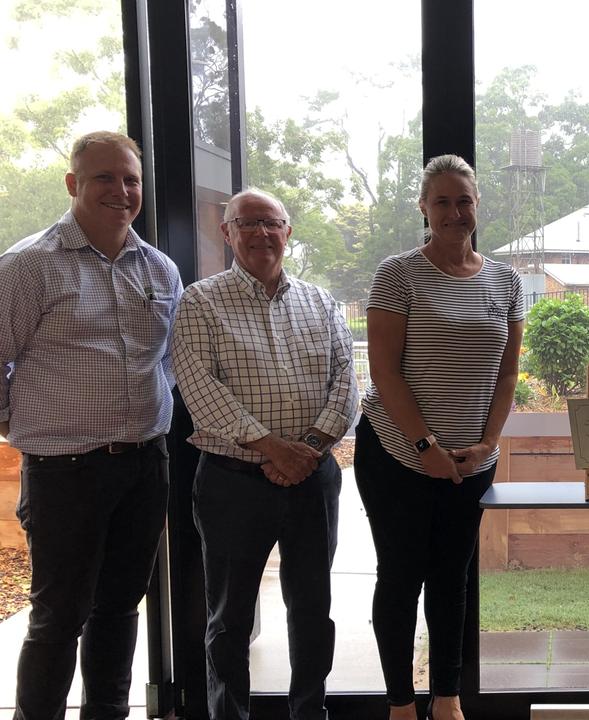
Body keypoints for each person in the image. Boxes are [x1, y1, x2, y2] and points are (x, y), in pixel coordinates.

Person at [0, 131, 181, 720]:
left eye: (131, 180)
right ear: (74, 184)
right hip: (63, 472)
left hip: (143, 465)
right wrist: (21, 425)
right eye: (105, 178)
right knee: (59, 616)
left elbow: (171, 362)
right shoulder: (28, 265)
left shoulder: (159, 269)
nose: (121, 191)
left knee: (121, 607)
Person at [172, 188, 357, 720]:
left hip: (314, 477)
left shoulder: (321, 303)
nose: (260, 233)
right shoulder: (201, 301)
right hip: (231, 482)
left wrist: (311, 449)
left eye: (271, 223)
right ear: (226, 233)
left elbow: (346, 383)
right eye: (246, 223)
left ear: (288, 233)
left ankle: (309, 711)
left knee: (313, 611)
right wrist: (276, 449)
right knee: (229, 617)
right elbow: (198, 387)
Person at [354, 154, 524, 720]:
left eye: (464, 201)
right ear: (424, 209)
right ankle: (401, 704)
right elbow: (384, 371)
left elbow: (506, 373)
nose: (455, 212)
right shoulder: (399, 273)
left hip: (471, 461)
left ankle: (447, 700)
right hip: (399, 456)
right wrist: (426, 448)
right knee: (400, 579)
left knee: (453, 579)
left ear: (478, 207)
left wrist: (487, 444)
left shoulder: (506, 279)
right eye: (443, 202)